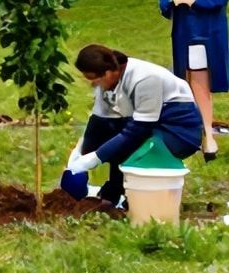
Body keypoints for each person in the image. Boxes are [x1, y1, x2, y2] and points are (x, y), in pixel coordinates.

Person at [65, 45, 203, 206]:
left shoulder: (145, 79)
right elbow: (98, 123)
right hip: (151, 127)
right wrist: (80, 153)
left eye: (93, 79)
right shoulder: (109, 83)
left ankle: (142, 197)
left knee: (131, 147)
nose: (93, 84)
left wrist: (96, 157)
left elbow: (137, 132)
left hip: (179, 131)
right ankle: (112, 195)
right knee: (114, 138)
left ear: (109, 72)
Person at [160, 0, 229, 161]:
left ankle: (208, 135)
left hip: (203, 36)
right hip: (183, 35)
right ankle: (193, 130)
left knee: (199, 82)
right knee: (184, 82)